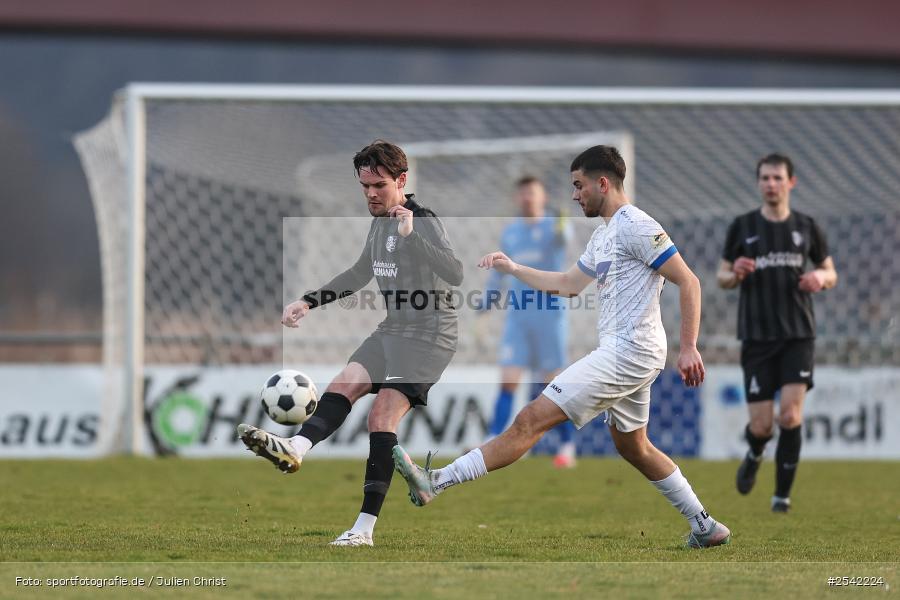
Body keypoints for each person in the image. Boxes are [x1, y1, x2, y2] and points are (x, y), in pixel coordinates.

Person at [394, 145, 731, 548]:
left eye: (579, 185)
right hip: (629, 351)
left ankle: (437, 481)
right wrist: (513, 268)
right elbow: (569, 285)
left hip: (630, 350)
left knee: (530, 419)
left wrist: (689, 346)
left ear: (602, 183)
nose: (574, 195)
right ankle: (705, 526)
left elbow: (689, 281)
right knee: (634, 447)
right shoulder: (605, 233)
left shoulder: (637, 225)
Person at [237, 140, 463, 546]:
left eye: (379, 185)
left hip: (430, 336)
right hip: (394, 329)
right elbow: (360, 273)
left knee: (381, 418)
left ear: (402, 181)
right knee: (344, 383)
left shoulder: (422, 218)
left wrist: (412, 235)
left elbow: (455, 272)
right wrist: (308, 301)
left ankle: (363, 530)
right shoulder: (379, 223)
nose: (372, 194)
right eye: (365, 187)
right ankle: (297, 448)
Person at [717, 153, 837, 513]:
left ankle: (781, 497)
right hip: (756, 337)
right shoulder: (742, 227)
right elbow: (722, 277)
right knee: (763, 424)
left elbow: (831, 272)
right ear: (759, 183)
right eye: (765, 178)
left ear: (791, 182)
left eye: (777, 178)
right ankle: (755, 452)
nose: (771, 184)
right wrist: (735, 272)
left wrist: (821, 278)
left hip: (798, 334)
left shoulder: (807, 227)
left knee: (790, 415)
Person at [478, 176, 577, 468]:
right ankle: (491, 439)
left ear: (542, 196)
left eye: (532, 192)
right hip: (518, 317)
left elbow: (564, 240)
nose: (527, 198)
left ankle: (567, 447)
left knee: (554, 384)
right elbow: (499, 273)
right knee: (508, 380)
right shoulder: (511, 234)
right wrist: (485, 305)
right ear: (516, 198)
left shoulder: (554, 226)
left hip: (549, 314)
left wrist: (562, 228)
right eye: (522, 193)